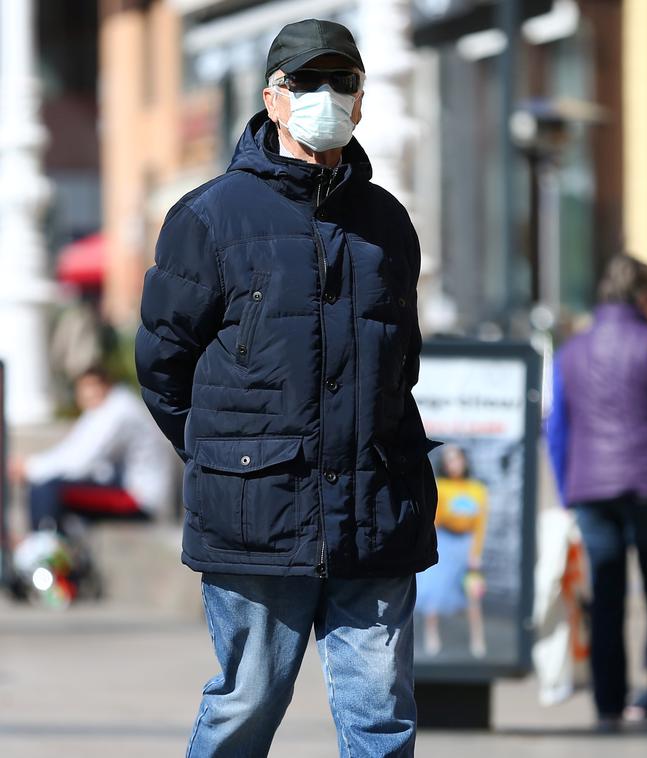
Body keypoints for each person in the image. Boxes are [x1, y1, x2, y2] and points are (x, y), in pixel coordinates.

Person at [134, 20, 436, 758]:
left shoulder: (387, 223)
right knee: (247, 705)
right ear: (272, 98)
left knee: (381, 719)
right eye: (306, 82)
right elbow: (163, 366)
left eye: (342, 82)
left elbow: (403, 363)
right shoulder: (209, 218)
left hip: (374, 513)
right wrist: (231, 459)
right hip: (258, 516)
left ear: (362, 102)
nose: (324, 96)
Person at [547, 254, 647, 730]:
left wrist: (566, 488)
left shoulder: (572, 351)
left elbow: (558, 429)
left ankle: (609, 704)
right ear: (643, 297)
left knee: (607, 594)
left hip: (592, 489)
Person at [8, 366, 175, 531]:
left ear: (103, 385)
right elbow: (71, 449)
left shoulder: (119, 410)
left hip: (140, 498)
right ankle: (48, 547)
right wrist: (31, 466)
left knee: (48, 490)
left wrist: (30, 468)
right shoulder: (107, 406)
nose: (85, 394)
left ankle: (44, 551)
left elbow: (82, 461)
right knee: (47, 486)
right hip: (122, 486)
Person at [417, 444, 489, 658]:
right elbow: (435, 519)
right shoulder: (441, 486)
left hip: (465, 544)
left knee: (473, 594)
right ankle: (432, 636)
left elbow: (480, 524)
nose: (454, 464)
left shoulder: (476, 489)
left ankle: (478, 639)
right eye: (449, 460)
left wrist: (475, 552)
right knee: (434, 591)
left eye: (457, 459)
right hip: (445, 542)